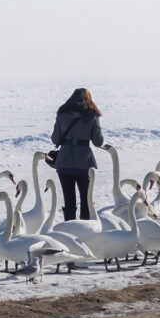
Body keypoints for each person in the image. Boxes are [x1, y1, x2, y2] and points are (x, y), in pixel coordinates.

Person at [47, 88, 112, 221]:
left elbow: (55, 139)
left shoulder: (62, 114)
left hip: (64, 163)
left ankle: (69, 230)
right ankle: (85, 232)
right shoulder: (92, 115)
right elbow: (98, 141)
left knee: (69, 201)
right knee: (86, 200)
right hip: (84, 164)